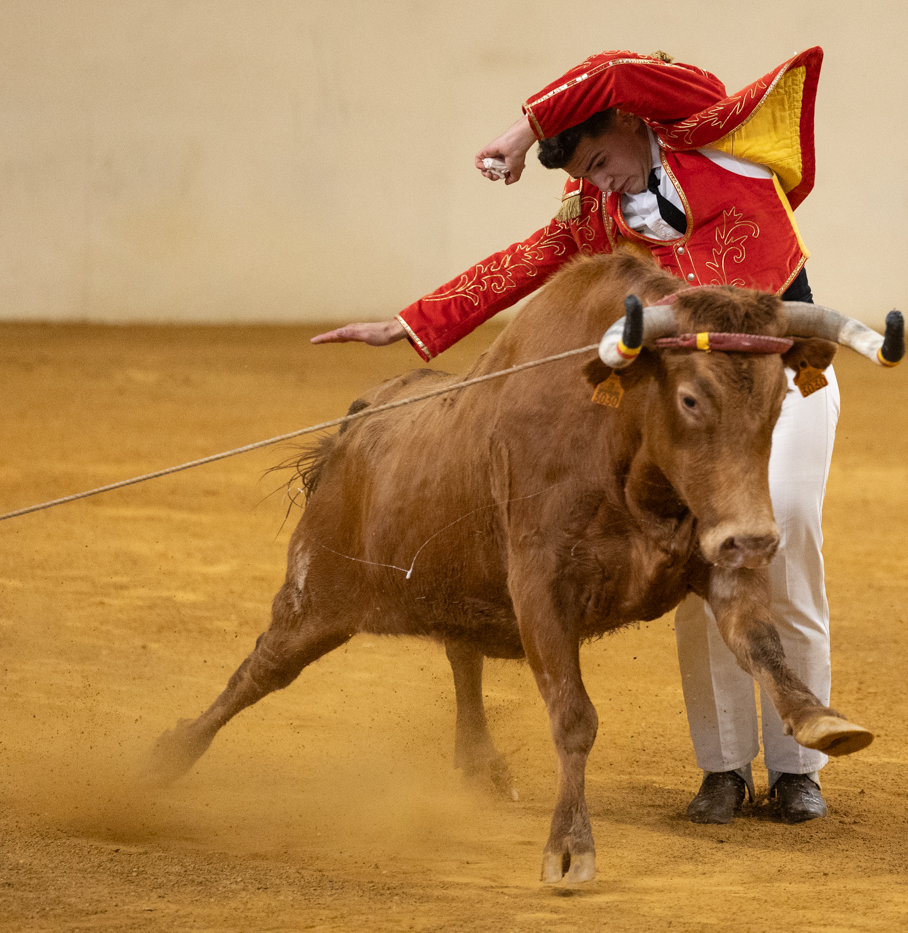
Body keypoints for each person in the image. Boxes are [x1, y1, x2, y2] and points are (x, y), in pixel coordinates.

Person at [313, 48, 837, 824]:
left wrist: (525, 130)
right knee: (700, 549)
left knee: (783, 529)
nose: (601, 183)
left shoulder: (698, 126)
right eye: (585, 175)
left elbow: (619, 71)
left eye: (600, 159)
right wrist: (411, 322)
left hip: (776, 381)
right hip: (687, 400)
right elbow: (521, 263)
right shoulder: (593, 210)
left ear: (629, 123)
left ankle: (799, 770)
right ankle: (723, 766)